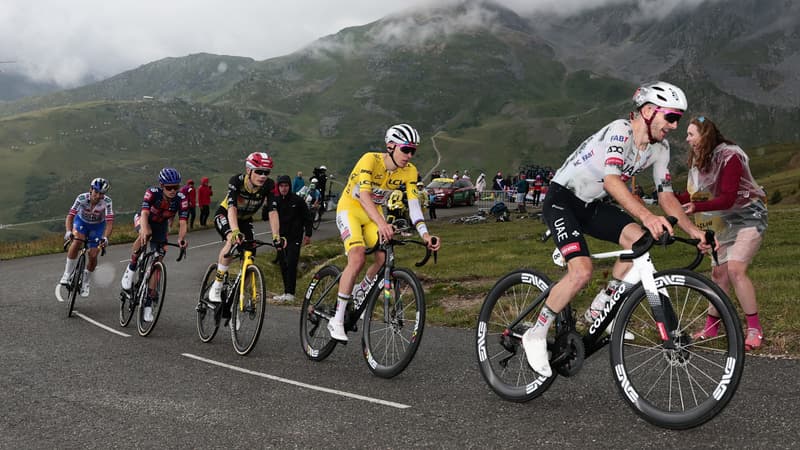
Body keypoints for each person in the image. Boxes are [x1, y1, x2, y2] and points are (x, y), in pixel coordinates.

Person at [521, 81, 712, 377]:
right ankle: (536, 332)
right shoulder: (620, 131)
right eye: (671, 117)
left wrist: (693, 231)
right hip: (562, 199)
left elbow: (666, 196)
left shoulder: (659, 149)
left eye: (678, 119)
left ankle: (603, 306)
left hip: (592, 205)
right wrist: (647, 216)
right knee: (581, 271)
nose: (675, 126)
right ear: (648, 111)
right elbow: (612, 182)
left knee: (640, 241)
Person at [330, 123, 441, 341]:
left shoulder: (409, 171)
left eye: (413, 151)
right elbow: (364, 196)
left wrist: (425, 235)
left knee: (383, 258)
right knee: (357, 257)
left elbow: (414, 205)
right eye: (405, 149)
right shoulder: (369, 160)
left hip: (373, 215)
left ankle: (360, 290)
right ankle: (337, 319)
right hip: (350, 209)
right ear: (390, 146)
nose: (409, 155)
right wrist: (382, 223)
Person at [678, 116, 768, 350]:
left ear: (705, 135)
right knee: (719, 274)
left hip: (750, 215)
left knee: (736, 270)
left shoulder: (731, 157)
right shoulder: (704, 160)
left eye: (691, 134)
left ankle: (755, 329)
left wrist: (696, 206)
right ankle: (711, 327)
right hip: (726, 220)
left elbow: (727, 198)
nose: (687, 139)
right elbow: (695, 194)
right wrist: (667, 198)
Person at [207, 152, 282, 303]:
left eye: (266, 172)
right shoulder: (236, 181)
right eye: (259, 171)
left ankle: (237, 297)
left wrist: (276, 236)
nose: (263, 176)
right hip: (226, 214)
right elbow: (232, 207)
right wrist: (234, 231)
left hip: (246, 220)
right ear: (249, 170)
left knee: (250, 255)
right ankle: (217, 284)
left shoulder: (269, 185)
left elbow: (273, 211)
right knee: (232, 241)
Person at [120, 168, 189, 322]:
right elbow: (144, 213)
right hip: (144, 219)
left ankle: (148, 304)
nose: (173, 190)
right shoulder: (152, 193)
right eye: (169, 187)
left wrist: (181, 238)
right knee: (146, 234)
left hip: (161, 225)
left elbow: (183, 222)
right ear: (161, 186)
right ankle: (130, 269)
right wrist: (144, 230)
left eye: (176, 187)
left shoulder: (181, 199)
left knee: (158, 260)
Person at [59, 178, 114, 298]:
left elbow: (109, 222)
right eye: (96, 192)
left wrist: (105, 238)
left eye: (101, 194)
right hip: (81, 223)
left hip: (97, 227)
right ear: (91, 189)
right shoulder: (81, 198)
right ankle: (67, 274)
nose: (98, 196)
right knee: (77, 241)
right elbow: (70, 216)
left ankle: (86, 281)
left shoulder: (107, 202)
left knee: (93, 255)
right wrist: (68, 231)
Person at [269, 175, 313, 302]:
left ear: (290, 186)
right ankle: (286, 292)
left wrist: (308, 234)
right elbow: (267, 216)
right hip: (281, 238)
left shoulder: (298, 200)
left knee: (292, 263)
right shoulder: (275, 201)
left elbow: (307, 218)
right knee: (283, 264)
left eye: (286, 186)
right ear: (278, 187)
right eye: (281, 186)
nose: (284, 188)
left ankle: (291, 293)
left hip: (295, 237)